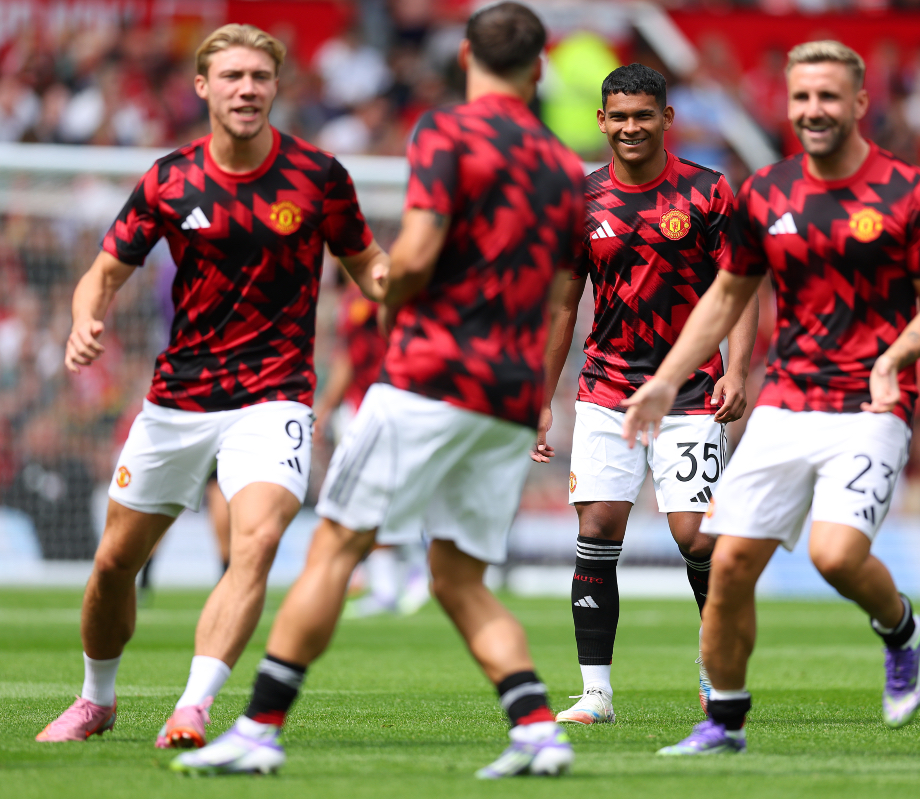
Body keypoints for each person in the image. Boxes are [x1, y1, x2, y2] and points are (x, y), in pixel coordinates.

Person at [171, 2, 586, 778]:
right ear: (538, 69)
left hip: (431, 374)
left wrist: (395, 297)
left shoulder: (446, 132)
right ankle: (536, 729)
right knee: (459, 576)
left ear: (465, 56)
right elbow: (562, 281)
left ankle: (258, 728)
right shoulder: (565, 166)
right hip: (508, 388)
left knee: (335, 548)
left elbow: (420, 250)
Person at [37, 24, 388, 748]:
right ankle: (96, 699)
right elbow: (103, 274)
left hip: (275, 391)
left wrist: (427, 284)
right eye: (231, 76)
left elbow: (370, 268)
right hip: (179, 399)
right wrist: (83, 320)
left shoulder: (319, 177)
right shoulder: (170, 179)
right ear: (203, 87)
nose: (246, 89)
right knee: (112, 565)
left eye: (259, 76)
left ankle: (193, 706)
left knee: (256, 540)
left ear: (275, 86)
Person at [621, 40, 920, 755]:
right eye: (802, 97)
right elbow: (724, 299)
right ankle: (723, 724)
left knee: (833, 555)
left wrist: (896, 356)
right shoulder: (765, 193)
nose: (813, 110)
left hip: (871, 403)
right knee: (728, 560)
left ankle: (901, 629)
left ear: (859, 104)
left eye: (828, 97)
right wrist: (662, 379)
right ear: (787, 100)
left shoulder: (912, 194)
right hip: (785, 399)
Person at [532, 63, 758, 725]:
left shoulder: (709, 194)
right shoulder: (578, 200)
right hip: (606, 389)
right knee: (597, 527)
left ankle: (716, 675)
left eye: (642, 115)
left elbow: (739, 288)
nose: (630, 126)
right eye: (618, 116)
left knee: (694, 537)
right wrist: (543, 397)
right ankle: (595, 693)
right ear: (601, 121)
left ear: (665, 118)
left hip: (689, 391)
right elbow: (559, 306)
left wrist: (736, 368)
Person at [312, 283, 429, 618]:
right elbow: (345, 358)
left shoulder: (383, 290)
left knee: (386, 492)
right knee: (373, 495)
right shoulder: (350, 299)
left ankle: (413, 573)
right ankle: (388, 585)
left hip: (386, 403)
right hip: (361, 406)